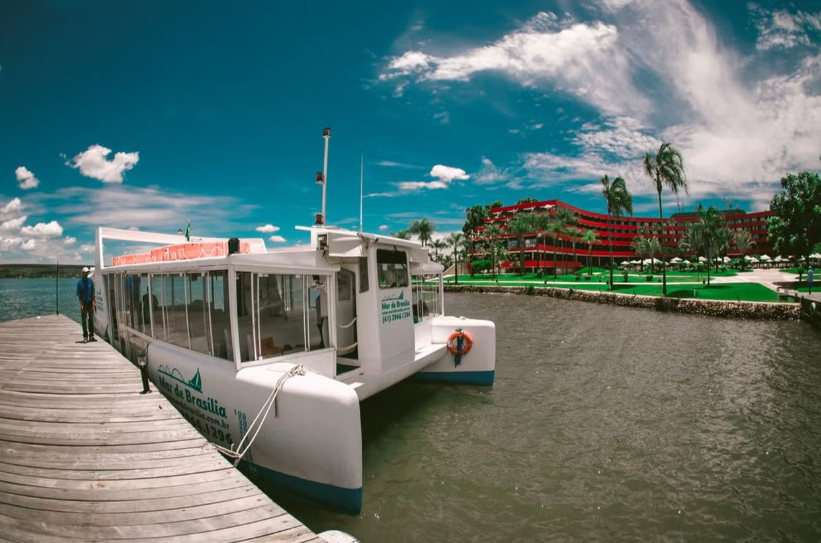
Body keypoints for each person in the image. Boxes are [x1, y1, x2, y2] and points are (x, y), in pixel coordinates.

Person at [77, 267, 96, 343]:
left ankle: (91, 336)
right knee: (84, 320)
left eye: (88, 272)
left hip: (90, 302)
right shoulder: (79, 283)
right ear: (83, 273)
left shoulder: (90, 281)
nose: (87, 273)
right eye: (85, 272)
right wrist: (81, 305)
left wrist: (94, 302)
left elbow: (93, 293)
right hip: (84, 303)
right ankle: (85, 336)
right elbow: (79, 295)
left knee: (91, 319)